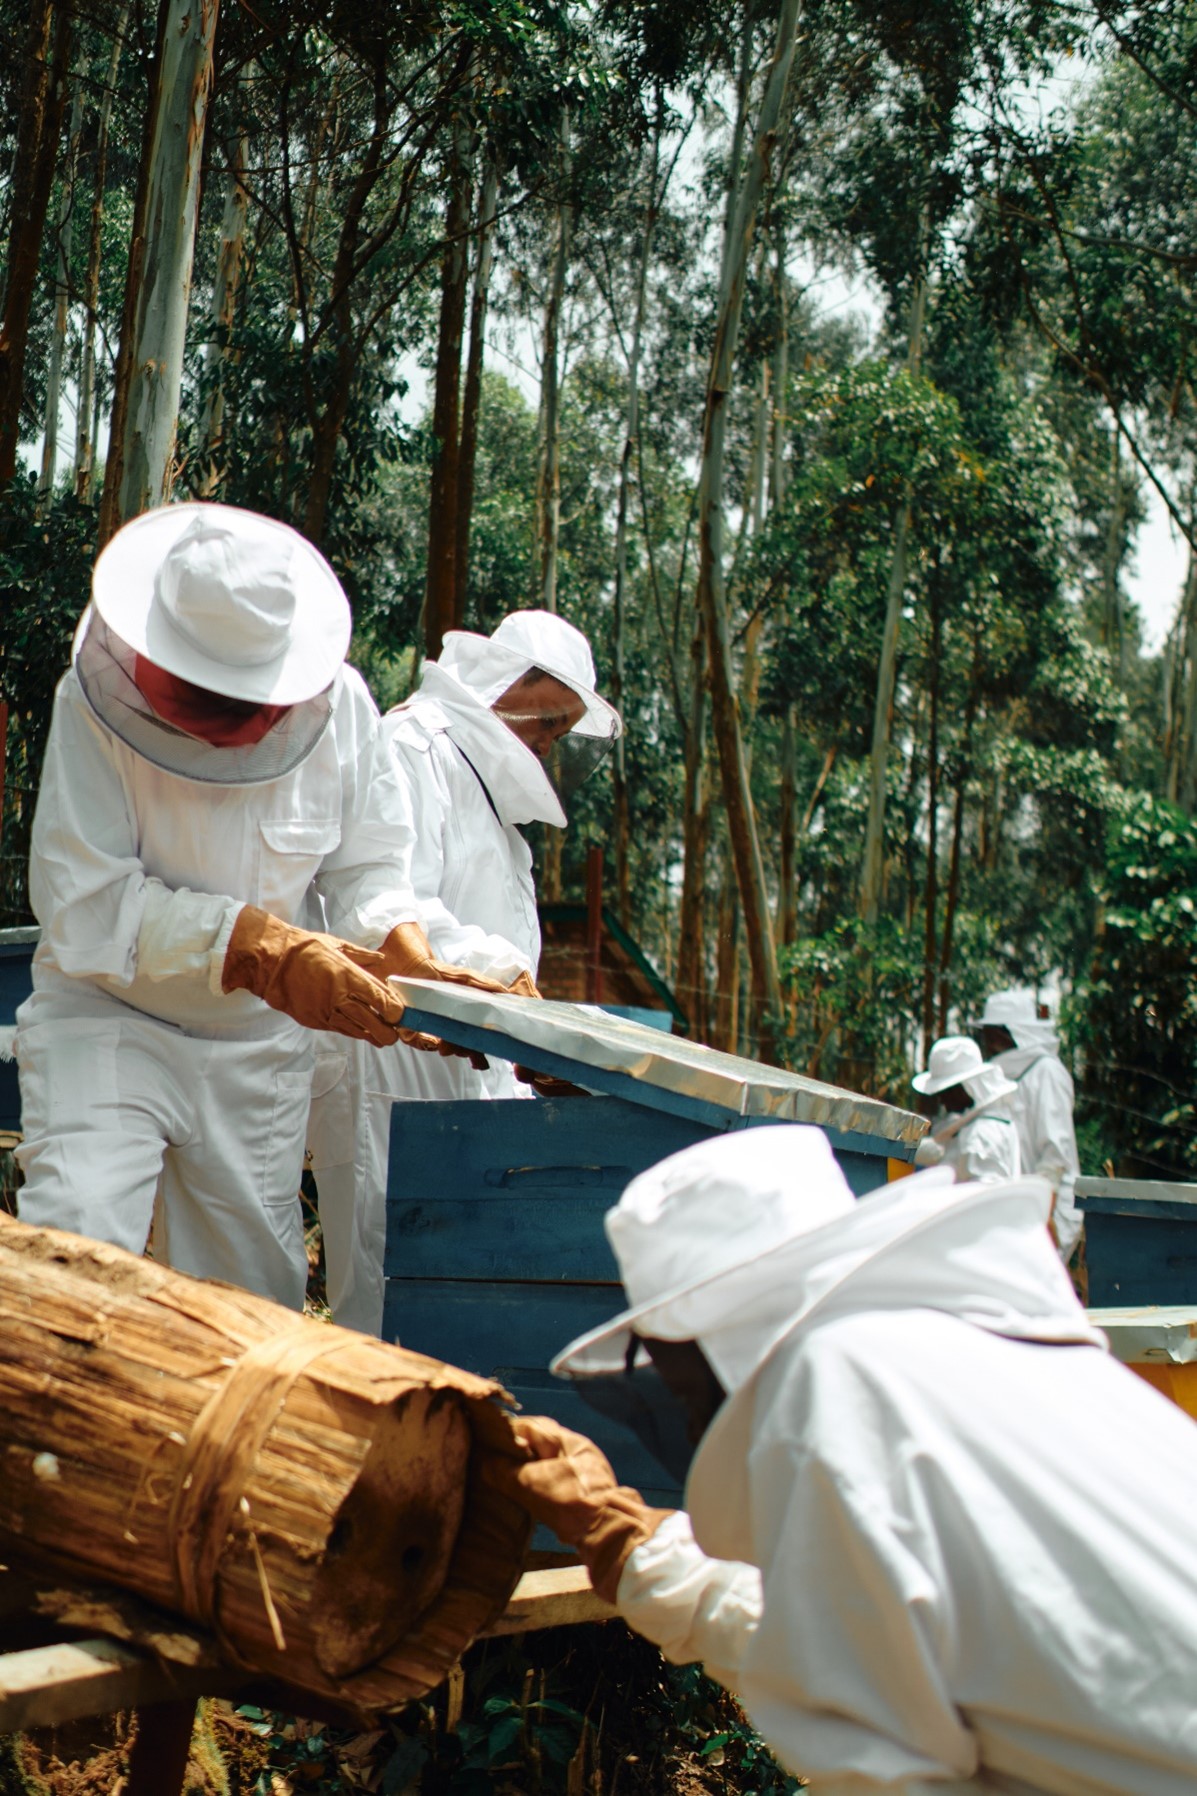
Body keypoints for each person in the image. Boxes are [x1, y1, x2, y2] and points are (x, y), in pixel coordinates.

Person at [490, 1127, 1197, 1795]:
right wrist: (639, 1548)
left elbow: (885, 1763)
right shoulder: (961, 1354)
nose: (690, 1414)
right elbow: (875, 1644)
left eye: (676, 1384)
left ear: (715, 1346)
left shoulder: (833, 1387)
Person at [15, 501, 496, 1310]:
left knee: (248, 1302)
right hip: (106, 1020)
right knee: (77, 1242)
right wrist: (254, 945)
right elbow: (84, 903)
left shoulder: (341, 709)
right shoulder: (87, 702)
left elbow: (369, 865)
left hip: (254, 1050)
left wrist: (397, 944)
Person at [308, 610, 622, 1335]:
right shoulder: (413, 746)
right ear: (508, 684)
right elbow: (383, 901)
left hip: (464, 1075)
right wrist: (502, 975)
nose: (549, 744)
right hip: (390, 1065)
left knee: (452, 1292)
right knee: (385, 1289)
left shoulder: (492, 810)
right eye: (548, 722)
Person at [975, 988, 1081, 1259]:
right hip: (1018, 1215)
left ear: (1007, 1032)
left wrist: (1043, 1217)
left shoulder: (1046, 1072)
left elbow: (1055, 1155)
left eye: (990, 1033)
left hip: (1048, 1217)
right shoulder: (1005, 1078)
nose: (986, 1041)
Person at [911, 1035, 1020, 1181]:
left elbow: (984, 1196)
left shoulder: (980, 1135)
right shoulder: (991, 1121)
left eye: (946, 1092)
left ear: (967, 1087)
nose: (941, 1099)